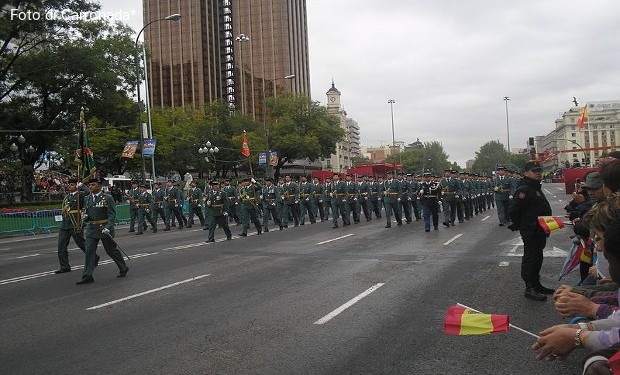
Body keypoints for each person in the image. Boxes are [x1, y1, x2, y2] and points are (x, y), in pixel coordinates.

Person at [508, 162, 553, 301]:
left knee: (537, 257)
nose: (538, 173)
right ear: (526, 173)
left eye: (539, 170)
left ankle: (536, 284)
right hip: (531, 229)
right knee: (530, 258)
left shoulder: (534, 187)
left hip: (539, 228)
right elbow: (514, 210)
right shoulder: (524, 189)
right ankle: (529, 287)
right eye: (534, 171)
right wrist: (521, 224)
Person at [77, 176, 128, 285]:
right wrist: (85, 217)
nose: (91, 186)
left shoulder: (107, 198)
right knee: (89, 252)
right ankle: (87, 275)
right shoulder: (87, 198)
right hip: (91, 229)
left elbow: (112, 214)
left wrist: (108, 227)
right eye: (90, 185)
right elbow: (86, 212)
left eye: (93, 184)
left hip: (104, 228)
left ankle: (123, 267)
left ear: (100, 186)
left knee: (111, 251)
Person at [54, 177, 89, 274]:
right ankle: (64, 266)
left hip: (75, 223)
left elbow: (88, 192)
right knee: (61, 246)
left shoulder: (80, 195)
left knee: (81, 243)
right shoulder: (67, 197)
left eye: (72, 184)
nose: (69, 186)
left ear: (76, 186)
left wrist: (82, 185)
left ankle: (93, 257)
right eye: (69, 184)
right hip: (65, 224)